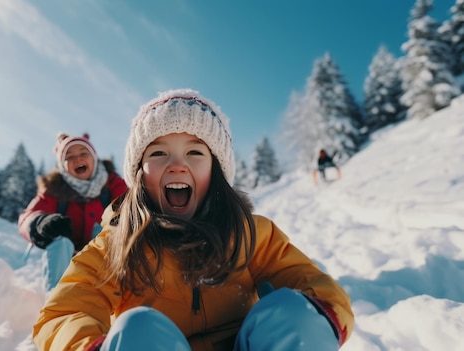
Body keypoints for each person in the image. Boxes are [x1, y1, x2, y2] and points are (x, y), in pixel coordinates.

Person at [32, 89, 354, 351]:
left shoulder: (250, 234)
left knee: (292, 312)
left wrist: (316, 318)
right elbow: (66, 310)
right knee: (138, 328)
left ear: (216, 173)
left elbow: (312, 282)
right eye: (158, 154)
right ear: (139, 176)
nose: (176, 165)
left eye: (195, 153)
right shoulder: (116, 246)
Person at [18, 132, 127, 291]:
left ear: (94, 158)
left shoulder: (112, 184)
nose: (78, 159)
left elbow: (133, 206)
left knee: (103, 232)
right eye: (69, 157)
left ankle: (113, 296)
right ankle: (57, 302)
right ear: (62, 166)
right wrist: (39, 222)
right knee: (59, 242)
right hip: (68, 258)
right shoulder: (54, 189)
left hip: (107, 256)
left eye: (84, 153)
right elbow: (27, 216)